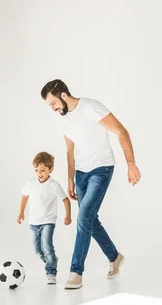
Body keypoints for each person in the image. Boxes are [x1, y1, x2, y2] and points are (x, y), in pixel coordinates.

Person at [40, 79, 141, 289]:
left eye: (53, 103)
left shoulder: (91, 107)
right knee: (90, 220)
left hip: (102, 168)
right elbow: (69, 151)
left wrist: (131, 164)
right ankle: (115, 257)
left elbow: (122, 131)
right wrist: (70, 178)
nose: (52, 108)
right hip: (80, 173)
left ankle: (76, 272)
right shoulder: (62, 121)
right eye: (50, 105)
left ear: (63, 95)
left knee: (83, 218)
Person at [17, 151, 72, 284]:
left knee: (47, 246)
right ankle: (52, 260)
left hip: (48, 220)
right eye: (36, 170)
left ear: (50, 169)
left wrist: (68, 216)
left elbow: (65, 200)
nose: (39, 173)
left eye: (42, 170)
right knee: (37, 249)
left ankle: (51, 272)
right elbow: (25, 196)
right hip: (34, 222)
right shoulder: (31, 182)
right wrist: (21, 213)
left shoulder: (54, 185)